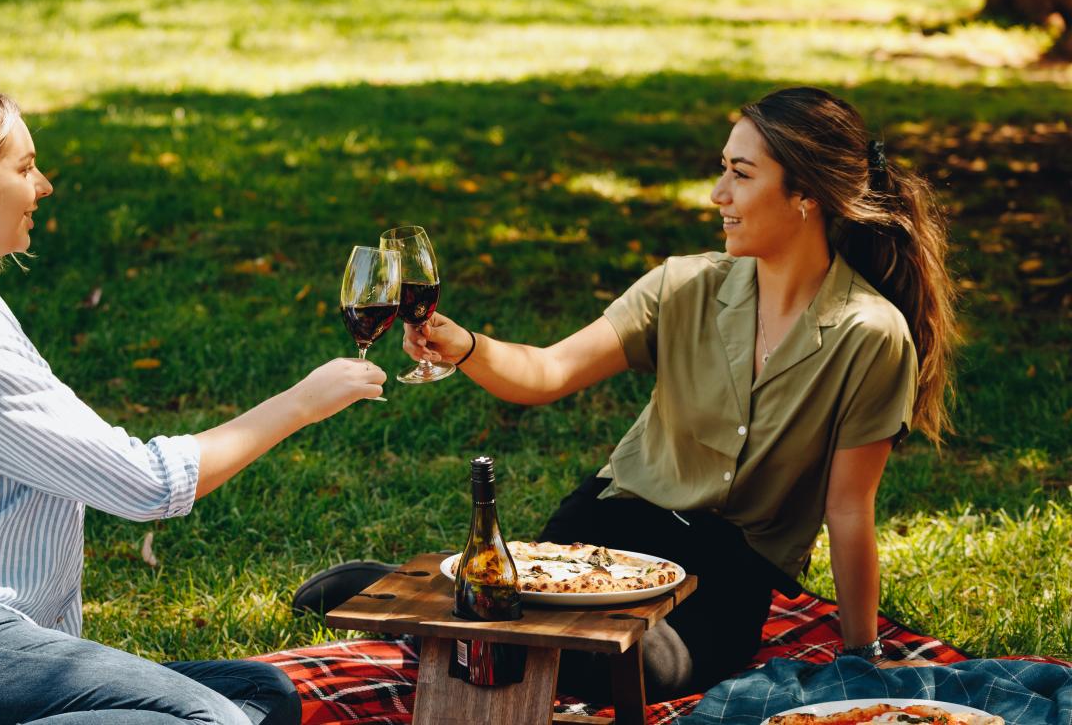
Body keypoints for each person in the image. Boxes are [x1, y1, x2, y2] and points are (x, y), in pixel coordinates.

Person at [297, 86, 957, 701]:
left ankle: (443, 614)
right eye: (723, 169)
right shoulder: (682, 285)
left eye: (741, 174)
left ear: (806, 195)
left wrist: (863, 651)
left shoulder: (871, 335)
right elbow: (548, 372)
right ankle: (450, 610)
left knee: (645, 669)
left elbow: (849, 511)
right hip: (609, 525)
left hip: (730, 571)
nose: (717, 194)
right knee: (548, 631)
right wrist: (465, 343)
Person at [0, 85, 387, 725]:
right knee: (219, 721)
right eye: (25, 166)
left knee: (263, 695)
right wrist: (302, 402)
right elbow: (145, 484)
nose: (44, 186)